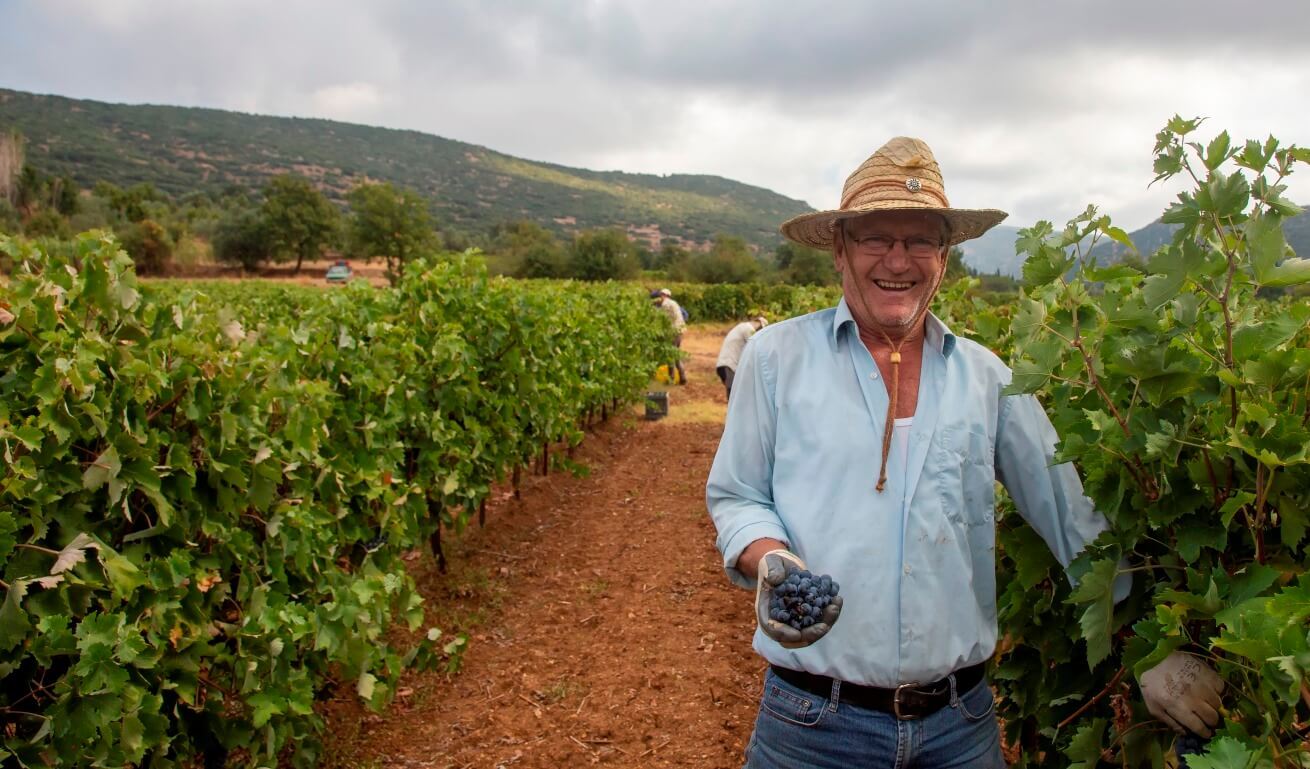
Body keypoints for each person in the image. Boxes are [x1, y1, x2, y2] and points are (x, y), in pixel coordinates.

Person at [705, 137, 1222, 768]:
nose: (899, 260)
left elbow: (1071, 517)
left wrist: (1149, 645)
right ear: (839, 251)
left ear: (944, 257)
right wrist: (771, 559)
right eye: (876, 238)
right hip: (813, 726)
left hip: (959, 727)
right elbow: (738, 494)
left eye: (920, 240)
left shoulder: (990, 379)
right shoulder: (774, 360)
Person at [715, 316, 768, 399]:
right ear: (760, 325)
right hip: (729, 365)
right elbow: (756, 349)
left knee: (736, 394)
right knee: (735, 395)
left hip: (725, 364)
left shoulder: (742, 326)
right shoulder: (748, 329)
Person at [651, 288, 688, 384]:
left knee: (670, 354)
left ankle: (671, 378)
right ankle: (682, 377)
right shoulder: (674, 303)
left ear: (664, 295)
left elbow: (663, 319)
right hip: (680, 331)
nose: (660, 297)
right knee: (675, 354)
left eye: (661, 295)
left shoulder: (666, 304)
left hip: (673, 331)